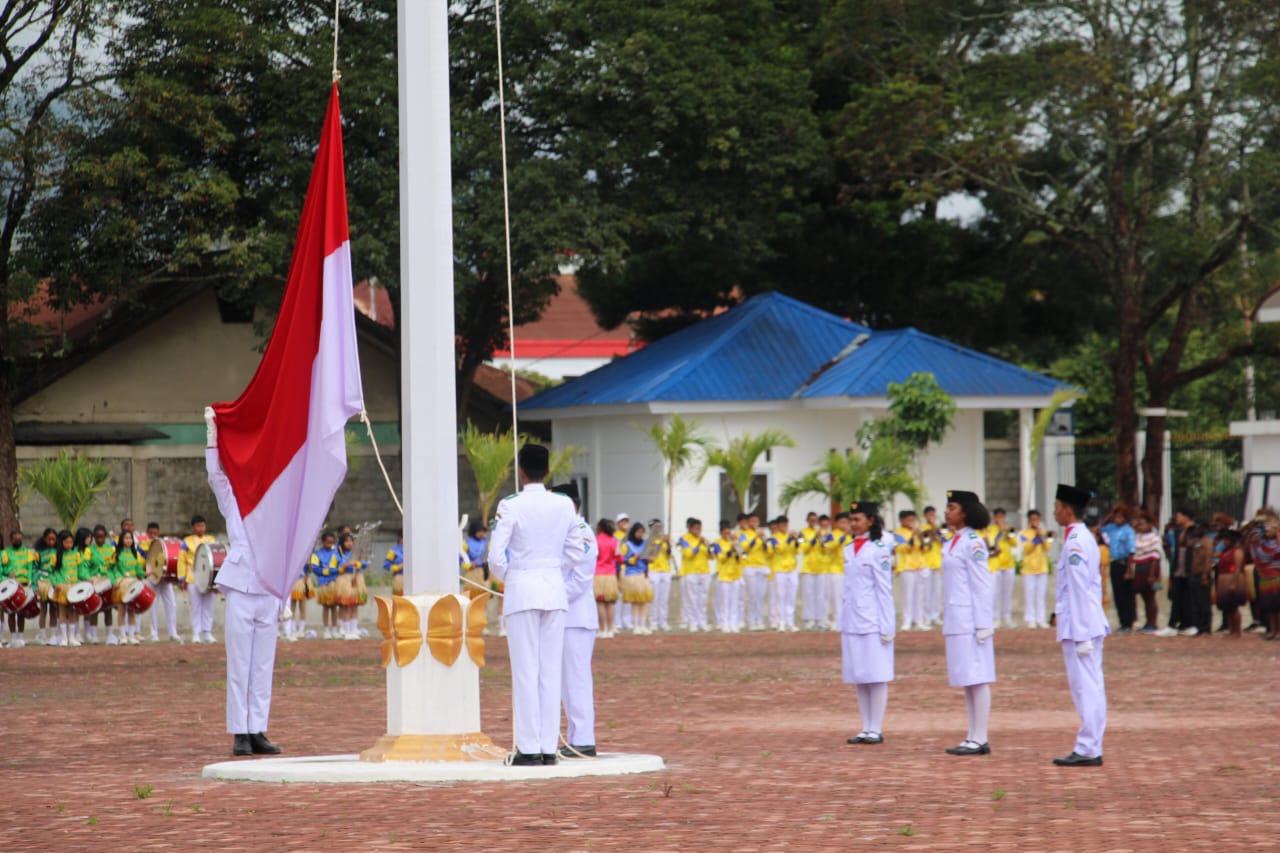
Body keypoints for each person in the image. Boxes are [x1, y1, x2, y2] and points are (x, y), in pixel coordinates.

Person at [488, 443, 580, 766]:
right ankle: (546, 747)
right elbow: (576, 552)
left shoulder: (511, 505)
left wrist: (514, 576)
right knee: (550, 671)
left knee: (526, 670)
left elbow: (495, 559)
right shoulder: (565, 504)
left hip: (522, 590)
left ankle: (528, 748)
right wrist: (553, 569)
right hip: (553, 590)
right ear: (548, 471)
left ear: (521, 471)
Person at [204, 408, 282, 757]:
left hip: (269, 588)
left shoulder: (277, 502)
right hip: (240, 587)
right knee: (240, 663)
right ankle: (240, 732)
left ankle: (258, 729)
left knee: (263, 664)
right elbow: (214, 475)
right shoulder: (232, 499)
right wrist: (211, 434)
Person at [1051, 484, 1109, 767]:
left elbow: (1077, 589)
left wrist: (1083, 634)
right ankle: (1090, 744)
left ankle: (1088, 747)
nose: (1054, 512)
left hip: (1080, 626)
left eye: (1056, 507)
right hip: (1083, 622)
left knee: (1086, 687)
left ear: (1066, 509)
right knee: (1090, 685)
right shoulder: (1081, 537)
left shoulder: (1076, 541)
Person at [941, 491, 995, 756]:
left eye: (951, 507)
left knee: (978, 677)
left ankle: (981, 737)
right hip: (956, 617)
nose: (946, 511)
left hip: (971, 620)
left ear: (964, 512)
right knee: (967, 678)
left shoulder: (973, 542)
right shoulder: (954, 541)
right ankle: (972, 735)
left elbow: (982, 585)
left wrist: (984, 623)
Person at [841, 502, 895, 745]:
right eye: (851, 519)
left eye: (857, 519)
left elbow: (884, 590)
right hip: (852, 619)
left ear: (870, 520)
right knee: (859, 675)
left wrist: (887, 626)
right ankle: (865, 727)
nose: (853, 524)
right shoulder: (849, 549)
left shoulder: (879, 549)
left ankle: (876, 727)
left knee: (876, 674)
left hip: (873, 619)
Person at [552, 483, 600, 758]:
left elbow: (580, 580)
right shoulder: (566, 533)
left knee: (576, 679)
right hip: (564, 615)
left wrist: (552, 596)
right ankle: (574, 738)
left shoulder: (582, 533)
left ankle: (583, 739)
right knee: (565, 682)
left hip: (576, 617)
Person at [180, 515, 218, 644]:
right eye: (198, 526)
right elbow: (182, 561)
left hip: (209, 578)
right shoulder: (187, 541)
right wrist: (182, 577)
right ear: (193, 527)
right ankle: (196, 632)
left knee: (209, 606)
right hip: (193, 577)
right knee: (196, 606)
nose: (200, 528)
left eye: (202, 525)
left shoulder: (212, 540)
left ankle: (207, 632)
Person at [1100, 505, 1137, 632]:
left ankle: (1128, 622)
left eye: (1120, 517)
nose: (1117, 519)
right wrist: (1109, 515)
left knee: (1126, 594)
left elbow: (1131, 551)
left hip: (1124, 563)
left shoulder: (1128, 531)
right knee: (1118, 594)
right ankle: (1122, 622)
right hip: (1114, 562)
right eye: (1116, 516)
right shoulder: (1112, 528)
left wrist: (1129, 569)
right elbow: (1101, 527)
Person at [84, 525, 119, 645]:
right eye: (97, 537)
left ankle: (110, 635)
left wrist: (114, 581)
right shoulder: (89, 550)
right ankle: (94, 636)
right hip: (94, 582)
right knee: (95, 609)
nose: (99, 540)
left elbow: (115, 568)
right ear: (94, 537)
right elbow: (85, 566)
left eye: (102, 537)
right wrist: (88, 578)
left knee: (108, 609)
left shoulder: (112, 549)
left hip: (108, 582)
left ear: (105, 537)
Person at [1, 530, 37, 646]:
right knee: (11, 613)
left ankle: (21, 637)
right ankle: (13, 637)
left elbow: (31, 568)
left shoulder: (27, 553)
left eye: (20, 539)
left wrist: (31, 580)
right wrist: (7, 577)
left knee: (21, 612)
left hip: (24, 585)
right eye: (16, 540)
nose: (18, 541)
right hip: (10, 586)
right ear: (11, 540)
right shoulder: (5, 553)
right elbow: (1, 570)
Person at [766, 516, 801, 631]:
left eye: (786, 524)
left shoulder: (790, 537)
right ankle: (780, 621)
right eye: (782, 524)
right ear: (778, 525)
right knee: (780, 595)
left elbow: (797, 551)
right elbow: (779, 549)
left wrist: (795, 541)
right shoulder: (773, 538)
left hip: (792, 568)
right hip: (780, 569)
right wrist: (789, 540)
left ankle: (790, 621)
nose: (784, 527)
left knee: (791, 595)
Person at [1130, 512, 1163, 632]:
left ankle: (1153, 623)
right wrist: (1135, 526)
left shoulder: (1154, 537)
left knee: (1151, 597)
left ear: (1150, 524)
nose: (1141, 526)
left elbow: (1155, 556)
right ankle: (1147, 622)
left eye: (1144, 523)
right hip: (1139, 567)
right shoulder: (1137, 536)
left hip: (1150, 568)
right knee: (1144, 596)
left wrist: (1152, 574)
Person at [677, 518, 712, 632]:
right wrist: (698, 544)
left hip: (704, 571)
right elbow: (689, 554)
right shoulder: (684, 539)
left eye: (700, 528)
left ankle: (702, 621)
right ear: (690, 528)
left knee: (702, 598)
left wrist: (709, 548)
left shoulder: (704, 540)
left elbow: (711, 556)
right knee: (692, 598)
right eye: (696, 528)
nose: (698, 531)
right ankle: (693, 622)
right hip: (691, 571)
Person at [893, 511, 926, 631]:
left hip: (919, 566)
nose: (911, 522)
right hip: (906, 566)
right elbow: (903, 548)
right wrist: (913, 535)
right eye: (908, 519)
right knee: (907, 595)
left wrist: (920, 536)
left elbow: (923, 548)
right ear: (902, 520)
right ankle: (906, 621)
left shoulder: (917, 532)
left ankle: (919, 621)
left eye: (913, 519)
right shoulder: (898, 533)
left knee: (919, 595)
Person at [735, 513, 769, 631]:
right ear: (748, 522)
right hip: (749, 566)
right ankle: (751, 620)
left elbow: (768, 551)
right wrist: (755, 538)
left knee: (760, 595)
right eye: (752, 521)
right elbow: (745, 548)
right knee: (752, 595)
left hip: (762, 566)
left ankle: (759, 620)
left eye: (757, 521)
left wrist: (764, 540)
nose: (755, 524)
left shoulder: (762, 534)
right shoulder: (743, 534)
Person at [1019, 511, 1052, 629]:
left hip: (1042, 567)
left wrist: (1041, 536)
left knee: (1041, 595)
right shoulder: (1023, 533)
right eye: (1032, 519)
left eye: (1037, 519)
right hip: (1028, 569)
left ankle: (1041, 619)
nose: (1035, 521)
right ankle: (1030, 619)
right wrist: (1035, 538)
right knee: (1030, 595)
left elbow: (1048, 547)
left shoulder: (1045, 533)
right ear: (1029, 520)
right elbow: (1026, 549)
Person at [618, 522, 653, 634]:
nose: (640, 534)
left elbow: (651, 557)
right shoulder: (628, 545)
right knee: (635, 601)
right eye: (638, 532)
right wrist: (634, 558)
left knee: (643, 601)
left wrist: (650, 559)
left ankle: (642, 625)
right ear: (634, 532)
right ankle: (635, 625)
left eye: (642, 532)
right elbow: (624, 560)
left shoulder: (646, 544)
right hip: (632, 574)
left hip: (643, 574)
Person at [114, 530, 147, 645]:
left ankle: (132, 635)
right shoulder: (116, 554)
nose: (128, 541)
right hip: (121, 584)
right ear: (121, 540)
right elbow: (114, 569)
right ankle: (123, 635)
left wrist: (144, 574)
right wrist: (117, 579)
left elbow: (138, 569)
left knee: (132, 610)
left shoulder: (135, 554)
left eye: (130, 538)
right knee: (121, 610)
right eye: (126, 538)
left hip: (132, 584)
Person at [985, 509, 1017, 628]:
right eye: (997, 517)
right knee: (996, 593)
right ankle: (996, 617)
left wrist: (1006, 532)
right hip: (996, 564)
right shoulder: (990, 529)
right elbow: (991, 543)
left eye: (1002, 517)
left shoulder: (1009, 529)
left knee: (1007, 593)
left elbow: (1014, 543)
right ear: (994, 518)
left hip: (1008, 565)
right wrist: (999, 530)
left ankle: (1007, 617)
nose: (1000, 519)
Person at [52, 529, 84, 647]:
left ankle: (72, 637)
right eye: (66, 542)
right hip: (62, 587)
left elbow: (81, 570)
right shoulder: (56, 556)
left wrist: (82, 581)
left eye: (71, 542)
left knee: (72, 611)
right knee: (62, 611)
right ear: (61, 542)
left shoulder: (77, 554)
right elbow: (53, 573)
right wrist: (56, 583)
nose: (69, 545)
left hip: (74, 585)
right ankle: (64, 638)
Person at [710, 520, 742, 632]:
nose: (728, 535)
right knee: (725, 601)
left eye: (729, 532)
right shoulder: (717, 543)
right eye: (725, 533)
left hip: (735, 574)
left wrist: (736, 546)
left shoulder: (734, 541)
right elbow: (721, 558)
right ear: (721, 533)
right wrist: (730, 550)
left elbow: (741, 556)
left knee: (734, 601)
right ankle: (724, 623)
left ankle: (734, 623)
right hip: (724, 575)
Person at [1214, 528, 1246, 637]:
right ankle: (1231, 629)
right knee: (1227, 606)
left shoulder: (1237, 551)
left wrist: (1234, 583)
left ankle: (1237, 630)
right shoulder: (1225, 551)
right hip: (1224, 578)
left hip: (1233, 577)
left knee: (1234, 606)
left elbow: (1237, 568)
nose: (1225, 542)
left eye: (1226, 540)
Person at [310, 532, 341, 639]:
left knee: (334, 607)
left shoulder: (336, 553)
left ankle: (334, 629)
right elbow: (315, 568)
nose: (329, 544)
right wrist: (326, 572)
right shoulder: (317, 554)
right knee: (326, 606)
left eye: (331, 542)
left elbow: (339, 566)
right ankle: (326, 629)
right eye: (327, 542)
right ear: (323, 542)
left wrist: (333, 572)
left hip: (334, 582)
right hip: (323, 582)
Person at [646, 520, 674, 632]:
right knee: (654, 598)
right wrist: (661, 542)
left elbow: (669, 554)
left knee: (664, 599)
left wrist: (668, 544)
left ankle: (663, 622)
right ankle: (653, 622)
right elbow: (652, 554)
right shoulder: (649, 540)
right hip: (654, 570)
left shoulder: (664, 539)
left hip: (665, 570)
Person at [593, 519, 620, 638]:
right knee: (609, 603)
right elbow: (620, 558)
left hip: (598, 574)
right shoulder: (614, 541)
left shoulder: (596, 540)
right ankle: (610, 629)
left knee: (600, 603)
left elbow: (592, 556)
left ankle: (602, 629)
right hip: (611, 575)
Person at [921, 506, 945, 628]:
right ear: (925, 516)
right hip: (926, 563)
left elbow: (944, 541)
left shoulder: (939, 529)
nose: (931, 517)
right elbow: (923, 543)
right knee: (927, 593)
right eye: (929, 514)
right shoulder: (922, 529)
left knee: (937, 592)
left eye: (933, 514)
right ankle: (927, 617)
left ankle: (935, 616)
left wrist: (935, 528)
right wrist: (929, 532)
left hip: (937, 564)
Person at [797, 512, 823, 629]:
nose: (813, 522)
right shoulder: (802, 533)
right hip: (807, 568)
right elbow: (803, 548)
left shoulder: (823, 532)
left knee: (820, 595)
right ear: (807, 520)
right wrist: (814, 539)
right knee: (808, 595)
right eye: (811, 520)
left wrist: (822, 540)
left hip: (820, 567)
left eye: (815, 520)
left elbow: (827, 547)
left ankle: (819, 619)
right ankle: (808, 619)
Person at [33, 528, 58, 645]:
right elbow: (34, 569)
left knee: (53, 609)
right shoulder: (38, 553)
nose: (51, 541)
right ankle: (42, 636)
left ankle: (53, 636)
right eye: (49, 539)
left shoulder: (58, 551)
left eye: (54, 539)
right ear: (44, 539)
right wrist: (35, 586)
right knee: (43, 610)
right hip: (42, 582)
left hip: (53, 581)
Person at [384, 530, 405, 596]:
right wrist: (398, 567)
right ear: (400, 538)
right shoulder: (393, 551)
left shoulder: (413, 549)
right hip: (399, 577)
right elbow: (386, 566)